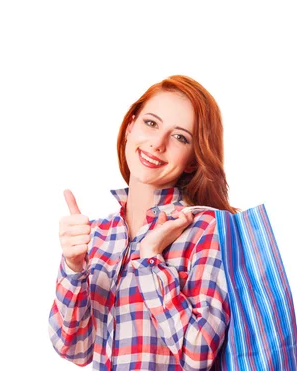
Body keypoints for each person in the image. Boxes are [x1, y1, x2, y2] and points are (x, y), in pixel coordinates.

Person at [48, 75, 238, 370]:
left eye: (180, 137)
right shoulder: (98, 234)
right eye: (151, 123)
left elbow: (198, 354)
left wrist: (151, 257)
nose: (157, 143)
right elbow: (74, 348)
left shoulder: (206, 229)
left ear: (192, 159)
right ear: (130, 127)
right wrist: (73, 267)